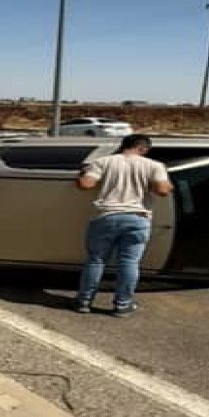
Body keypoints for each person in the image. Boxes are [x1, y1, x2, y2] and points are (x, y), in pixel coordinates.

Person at [72, 134, 173, 318]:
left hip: (105, 216)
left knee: (96, 260)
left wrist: (81, 172)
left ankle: (84, 301)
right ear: (143, 149)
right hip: (137, 218)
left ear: (123, 146)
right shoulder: (154, 165)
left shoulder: (103, 161)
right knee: (129, 262)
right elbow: (162, 191)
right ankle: (122, 305)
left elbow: (86, 185)